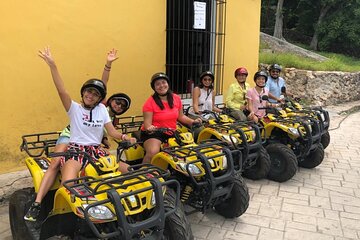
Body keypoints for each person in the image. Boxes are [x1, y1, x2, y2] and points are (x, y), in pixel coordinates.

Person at [24, 47, 135, 222]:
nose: (91, 95)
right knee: (68, 184)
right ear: (83, 93)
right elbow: (62, 91)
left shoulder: (102, 110)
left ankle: (127, 208)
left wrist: (124, 137)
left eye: (96, 94)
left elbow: (112, 131)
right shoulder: (74, 108)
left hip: (96, 152)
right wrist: (52, 65)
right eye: (89, 91)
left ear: (100, 99)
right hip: (76, 151)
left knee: (128, 170)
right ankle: (42, 206)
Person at [141, 72, 201, 163]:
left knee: (188, 148)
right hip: (155, 133)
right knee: (153, 151)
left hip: (171, 131)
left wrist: (193, 121)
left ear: (168, 84)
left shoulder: (176, 98)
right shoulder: (149, 103)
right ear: (154, 87)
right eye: (157, 84)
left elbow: (181, 116)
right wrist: (151, 128)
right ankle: (144, 173)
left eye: (163, 82)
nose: (161, 86)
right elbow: (147, 124)